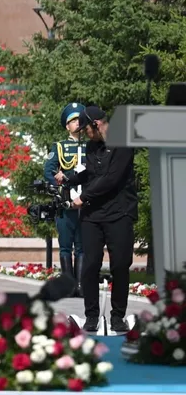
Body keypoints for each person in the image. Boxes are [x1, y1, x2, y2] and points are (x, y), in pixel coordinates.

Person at [69, 105, 137, 333]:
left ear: (96, 124)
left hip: (119, 213)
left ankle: (118, 316)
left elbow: (111, 179)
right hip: (93, 215)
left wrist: (82, 197)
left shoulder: (123, 145)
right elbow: (90, 173)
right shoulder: (91, 146)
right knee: (90, 265)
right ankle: (91, 316)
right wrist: (69, 179)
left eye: (85, 128)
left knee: (120, 265)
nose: (84, 133)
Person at [44, 102, 86, 297]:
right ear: (67, 125)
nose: (77, 123)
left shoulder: (92, 146)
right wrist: (58, 181)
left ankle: (81, 286)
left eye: (79, 119)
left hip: (86, 201)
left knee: (82, 247)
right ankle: (69, 286)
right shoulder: (59, 147)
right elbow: (48, 170)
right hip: (66, 200)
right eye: (72, 121)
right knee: (66, 246)